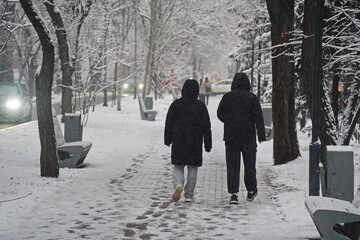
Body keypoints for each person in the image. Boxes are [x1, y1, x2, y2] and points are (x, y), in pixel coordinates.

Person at [217, 72, 266, 204]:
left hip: (231, 136)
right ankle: (251, 190)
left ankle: (234, 194)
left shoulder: (227, 97)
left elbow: (219, 113)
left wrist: (230, 120)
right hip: (248, 136)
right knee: (249, 164)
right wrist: (261, 135)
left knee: (232, 165)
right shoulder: (252, 98)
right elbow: (259, 118)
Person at [164, 79, 212, 203]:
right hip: (195, 141)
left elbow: (168, 123)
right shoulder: (200, 106)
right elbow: (206, 126)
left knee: (178, 165)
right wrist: (208, 144)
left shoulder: (176, 104)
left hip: (179, 139)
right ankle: (189, 195)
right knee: (193, 167)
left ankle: (178, 184)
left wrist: (167, 139)